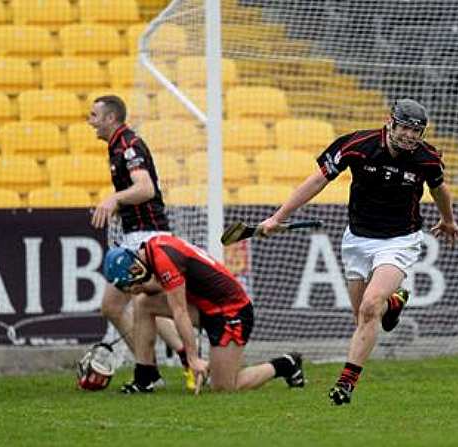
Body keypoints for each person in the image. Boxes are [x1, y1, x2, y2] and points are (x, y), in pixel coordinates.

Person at [257, 99, 458, 405]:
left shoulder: (427, 159)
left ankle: (345, 384)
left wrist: (447, 219)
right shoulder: (357, 145)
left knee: (370, 306)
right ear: (390, 122)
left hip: (401, 240)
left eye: (416, 131)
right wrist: (278, 218)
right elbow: (318, 180)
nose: (410, 135)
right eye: (405, 127)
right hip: (357, 239)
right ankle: (394, 304)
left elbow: (439, 189)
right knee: (364, 316)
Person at [101, 236, 305, 393]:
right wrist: (143, 289)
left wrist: (192, 358)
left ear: (136, 267)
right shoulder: (153, 249)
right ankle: (145, 377)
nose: (135, 285)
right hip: (207, 308)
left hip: (231, 312)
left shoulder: (164, 259)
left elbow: (180, 312)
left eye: (134, 281)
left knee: (224, 387)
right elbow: (167, 288)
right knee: (144, 302)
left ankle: (286, 364)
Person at [87, 95, 195, 390]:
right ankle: (156, 368)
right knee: (132, 304)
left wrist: (114, 199)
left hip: (148, 237)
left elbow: (145, 188)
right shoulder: (117, 146)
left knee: (130, 304)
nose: (90, 121)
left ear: (111, 118)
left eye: (94, 115)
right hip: (138, 235)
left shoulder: (128, 145)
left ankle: (162, 366)